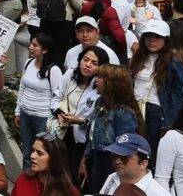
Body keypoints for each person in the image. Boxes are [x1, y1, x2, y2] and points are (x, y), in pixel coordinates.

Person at [128, 20, 183, 156]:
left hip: (156, 113)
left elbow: (178, 96)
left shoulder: (174, 62)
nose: (152, 40)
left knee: (149, 154)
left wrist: (169, 123)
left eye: (157, 37)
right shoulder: (138, 57)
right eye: (148, 36)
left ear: (166, 40)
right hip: (134, 110)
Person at [84, 65, 145, 194]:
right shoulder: (99, 102)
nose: (96, 80)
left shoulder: (123, 112)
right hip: (96, 159)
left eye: (100, 77)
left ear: (111, 83)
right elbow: (92, 134)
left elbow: (126, 146)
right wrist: (84, 160)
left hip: (112, 163)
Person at [52, 45, 104, 177]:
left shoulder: (101, 86)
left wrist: (80, 121)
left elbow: (99, 121)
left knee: (74, 175)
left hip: (82, 139)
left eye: (94, 63)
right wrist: (59, 114)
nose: (88, 65)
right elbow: (56, 98)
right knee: (56, 173)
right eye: (85, 59)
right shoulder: (70, 74)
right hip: (61, 131)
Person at [18, 34, 64, 169]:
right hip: (25, 114)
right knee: (27, 153)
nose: (30, 47)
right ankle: (26, 179)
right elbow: (22, 87)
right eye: (30, 44)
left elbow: (58, 96)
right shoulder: (28, 63)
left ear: (45, 50)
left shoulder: (54, 70)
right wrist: (17, 111)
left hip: (43, 118)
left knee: (43, 153)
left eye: (35, 45)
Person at [98, 134, 170, 196]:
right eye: (115, 156)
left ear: (143, 164)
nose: (117, 161)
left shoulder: (158, 193)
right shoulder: (113, 177)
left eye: (124, 158)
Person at [12, 135, 79, 196]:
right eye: (33, 151)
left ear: (54, 158)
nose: (32, 156)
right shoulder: (23, 179)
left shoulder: (69, 192)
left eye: (39, 153)